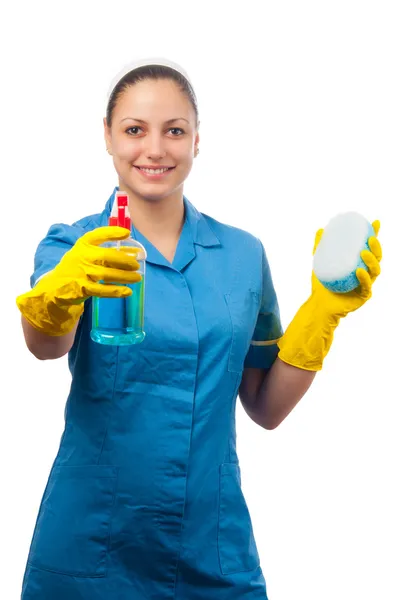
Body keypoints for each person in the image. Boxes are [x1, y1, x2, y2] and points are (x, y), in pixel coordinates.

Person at [16, 58, 382, 600]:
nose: (155, 149)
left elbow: (265, 407)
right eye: (135, 130)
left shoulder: (241, 254)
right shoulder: (73, 246)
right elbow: (46, 347)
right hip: (91, 540)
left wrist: (322, 313)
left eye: (175, 131)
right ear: (108, 137)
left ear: (196, 140)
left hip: (211, 542)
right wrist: (61, 292)